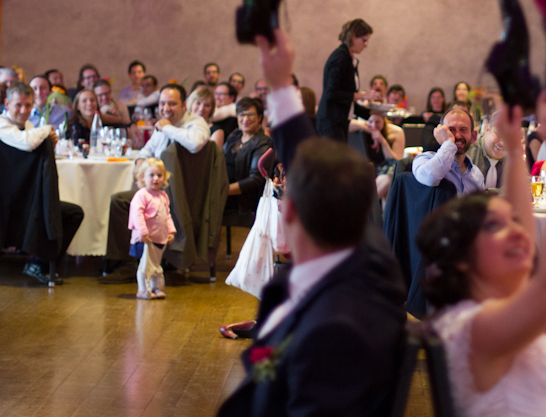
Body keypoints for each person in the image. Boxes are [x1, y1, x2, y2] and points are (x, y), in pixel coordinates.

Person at [216, 26, 406, 417]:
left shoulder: (335, 326)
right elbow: (301, 151)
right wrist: (280, 83)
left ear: (292, 214)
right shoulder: (369, 258)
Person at [416, 97, 546, 417]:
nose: (517, 233)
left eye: (510, 224)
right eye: (494, 226)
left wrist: (514, 147)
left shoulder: (500, 302)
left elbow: (521, 224)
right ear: (462, 257)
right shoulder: (471, 327)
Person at [99, 84, 211, 283]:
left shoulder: (195, 123)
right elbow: (146, 150)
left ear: (184, 104)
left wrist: (167, 127)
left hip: (181, 195)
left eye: (172, 104)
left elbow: (195, 144)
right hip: (157, 189)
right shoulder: (162, 126)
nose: (165, 108)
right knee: (123, 198)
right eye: (162, 103)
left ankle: (129, 264)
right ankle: (129, 261)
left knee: (122, 202)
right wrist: (140, 163)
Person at [1, 82, 83, 285]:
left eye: (28, 105)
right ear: (7, 104)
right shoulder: (2, 125)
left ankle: (39, 262)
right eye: (18, 105)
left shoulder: (29, 127)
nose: (23, 110)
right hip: (7, 201)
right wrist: (46, 130)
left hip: (27, 199)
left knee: (73, 213)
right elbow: (26, 142)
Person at [317, 19, 375, 142]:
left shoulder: (349, 58)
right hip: (331, 122)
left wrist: (375, 112)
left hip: (339, 121)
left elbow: (347, 99)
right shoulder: (341, 57)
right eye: (364, 40)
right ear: (353, 36)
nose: (366, 45)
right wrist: (362, 95)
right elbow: (331, 93)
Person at [128, 158, 176, 300]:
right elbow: (137, 215)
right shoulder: (141, 195)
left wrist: (170, 231)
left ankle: (156, 288)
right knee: (144, 266)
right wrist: (143, 232)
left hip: (158, 239)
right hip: (145, 239)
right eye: (152, 175)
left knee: (156, 266)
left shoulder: (163, 196)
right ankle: (143, 289)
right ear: (143, 177)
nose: (156, 179)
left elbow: (167, 215)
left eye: (159, 175)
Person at [223, 98, 273, 229]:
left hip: (243, 205)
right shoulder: (235, 135)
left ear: (259, 117)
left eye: (250, 114)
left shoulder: (263, 142)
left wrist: (224, 191)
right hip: (225, 196)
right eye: (241, 114)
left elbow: (255, 179)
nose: (245, 119)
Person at [413, 107, 484, 195]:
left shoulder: (477, 176)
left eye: (463, 130)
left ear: (473, 137)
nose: (457, 136)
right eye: (451, 130)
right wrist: (449, 142)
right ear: (440, 133)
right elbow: (430, 178)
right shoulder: (424, 160)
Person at [349, 112, 405, 200]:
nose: (374, 125)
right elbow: (347, 124)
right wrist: (368, 129)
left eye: (377, 122)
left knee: (388, 180)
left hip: (387, 170)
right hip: (368, 169)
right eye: (370, 121)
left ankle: (367, 203)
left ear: (384, 121)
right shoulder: (364, 127)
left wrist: (382, 141)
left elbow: (395, 161)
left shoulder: (395, 132)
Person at [466, 113, 507, 189]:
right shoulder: (468, 152)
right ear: (487, 130)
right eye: (499, 134)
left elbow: (525, 186)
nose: (503, 143)